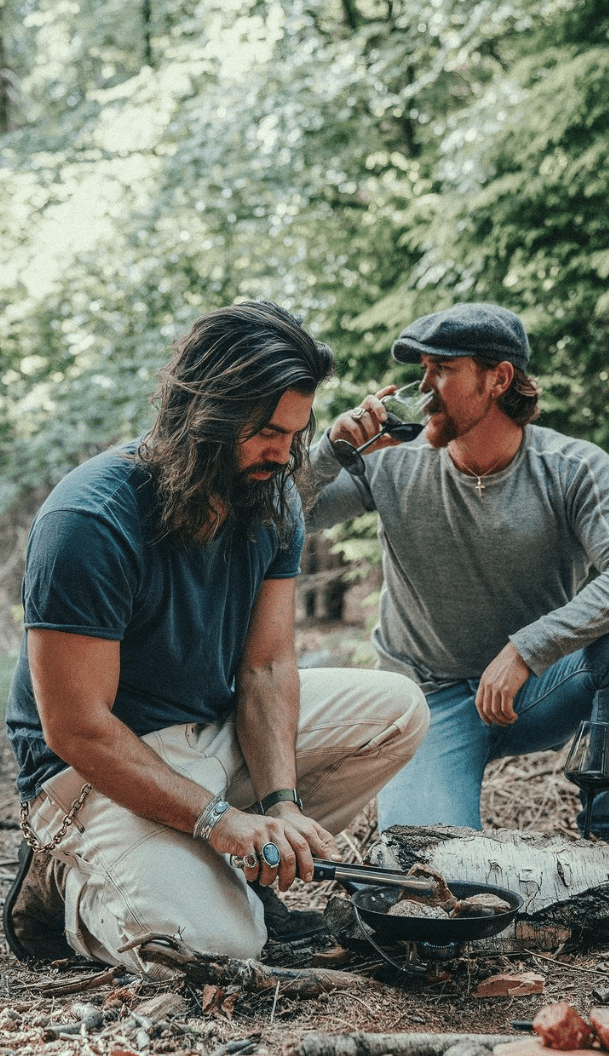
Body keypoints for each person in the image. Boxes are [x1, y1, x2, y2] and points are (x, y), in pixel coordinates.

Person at [3, 300, 428, 976]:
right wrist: (216, 821)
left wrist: (282, 803)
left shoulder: (273, 498)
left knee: (397, 710)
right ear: (206, 416)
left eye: (294, 432)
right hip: (93, 772)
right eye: (265, 432)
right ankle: (67, 882)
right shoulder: (90, 518)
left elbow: (264, 669)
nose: (286, 453)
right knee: (217, 947)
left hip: (208, 734)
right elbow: (76, 728)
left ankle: (235, 869)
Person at [306, 302, 609, 836]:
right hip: (426, 704)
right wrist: (329, 451)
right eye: (423, 372)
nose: (426, 388)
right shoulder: (388, 459)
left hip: (538, 689)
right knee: (430, 870)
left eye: (444, 370)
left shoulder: (572, 468)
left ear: (498, 379)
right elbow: (285, 518)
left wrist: (530, 648)